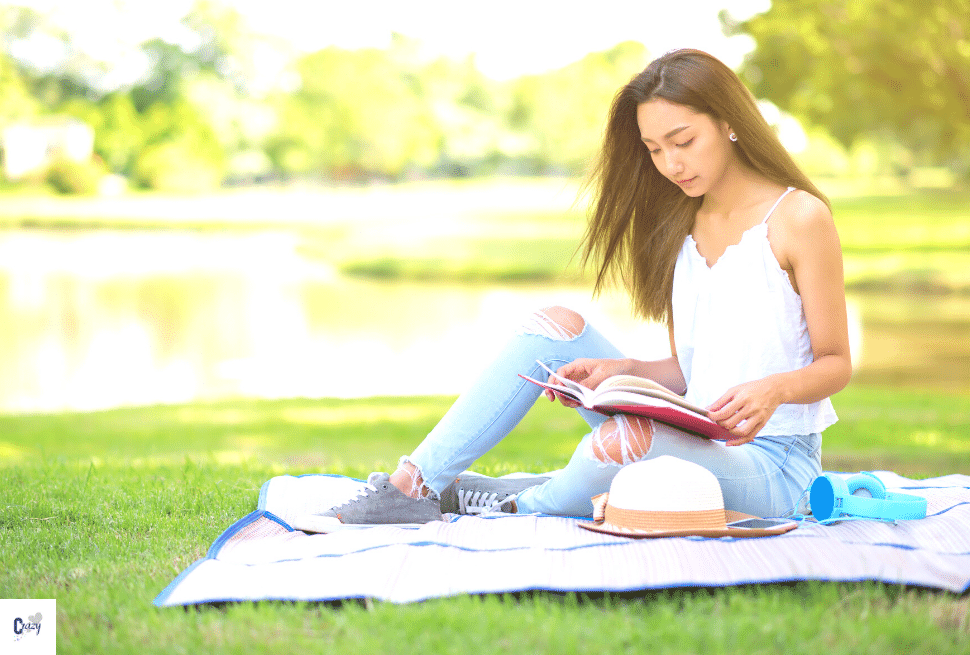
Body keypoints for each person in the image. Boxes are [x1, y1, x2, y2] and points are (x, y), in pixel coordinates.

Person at [313, 48, 852, 525]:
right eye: (654, 149)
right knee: (554, 328)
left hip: (776, 465)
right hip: (698, 430)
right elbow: (692, 368)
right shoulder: (681, 225)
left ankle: (516, 506)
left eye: (682, 141)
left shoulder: (798, 218)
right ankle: (415, 487)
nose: (670, 164)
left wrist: (773, 390)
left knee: (619, 442)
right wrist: (624, 372)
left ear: (730, 122)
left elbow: (835, 362)